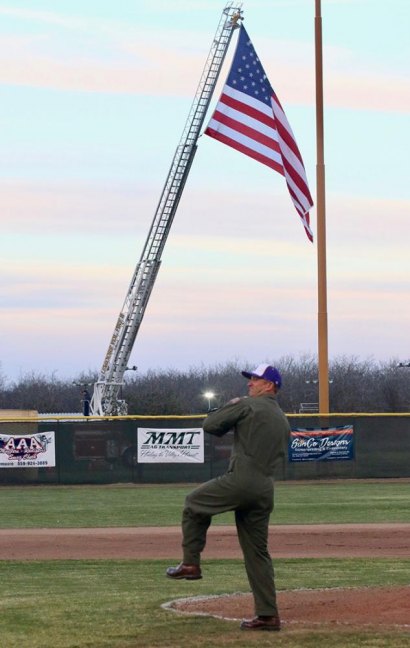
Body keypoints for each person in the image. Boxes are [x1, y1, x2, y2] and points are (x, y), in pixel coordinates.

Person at [166, 363, 291, 632]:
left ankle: (190, 563)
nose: (249, 384)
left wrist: (232, 404)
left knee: (193, 504)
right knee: (257, 554)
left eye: (255, 380)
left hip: (241, 481)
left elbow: (210, 425)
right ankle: (268, 615)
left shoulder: (248, 405)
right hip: (265, 489)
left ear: (270, 385)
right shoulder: (283, 418)